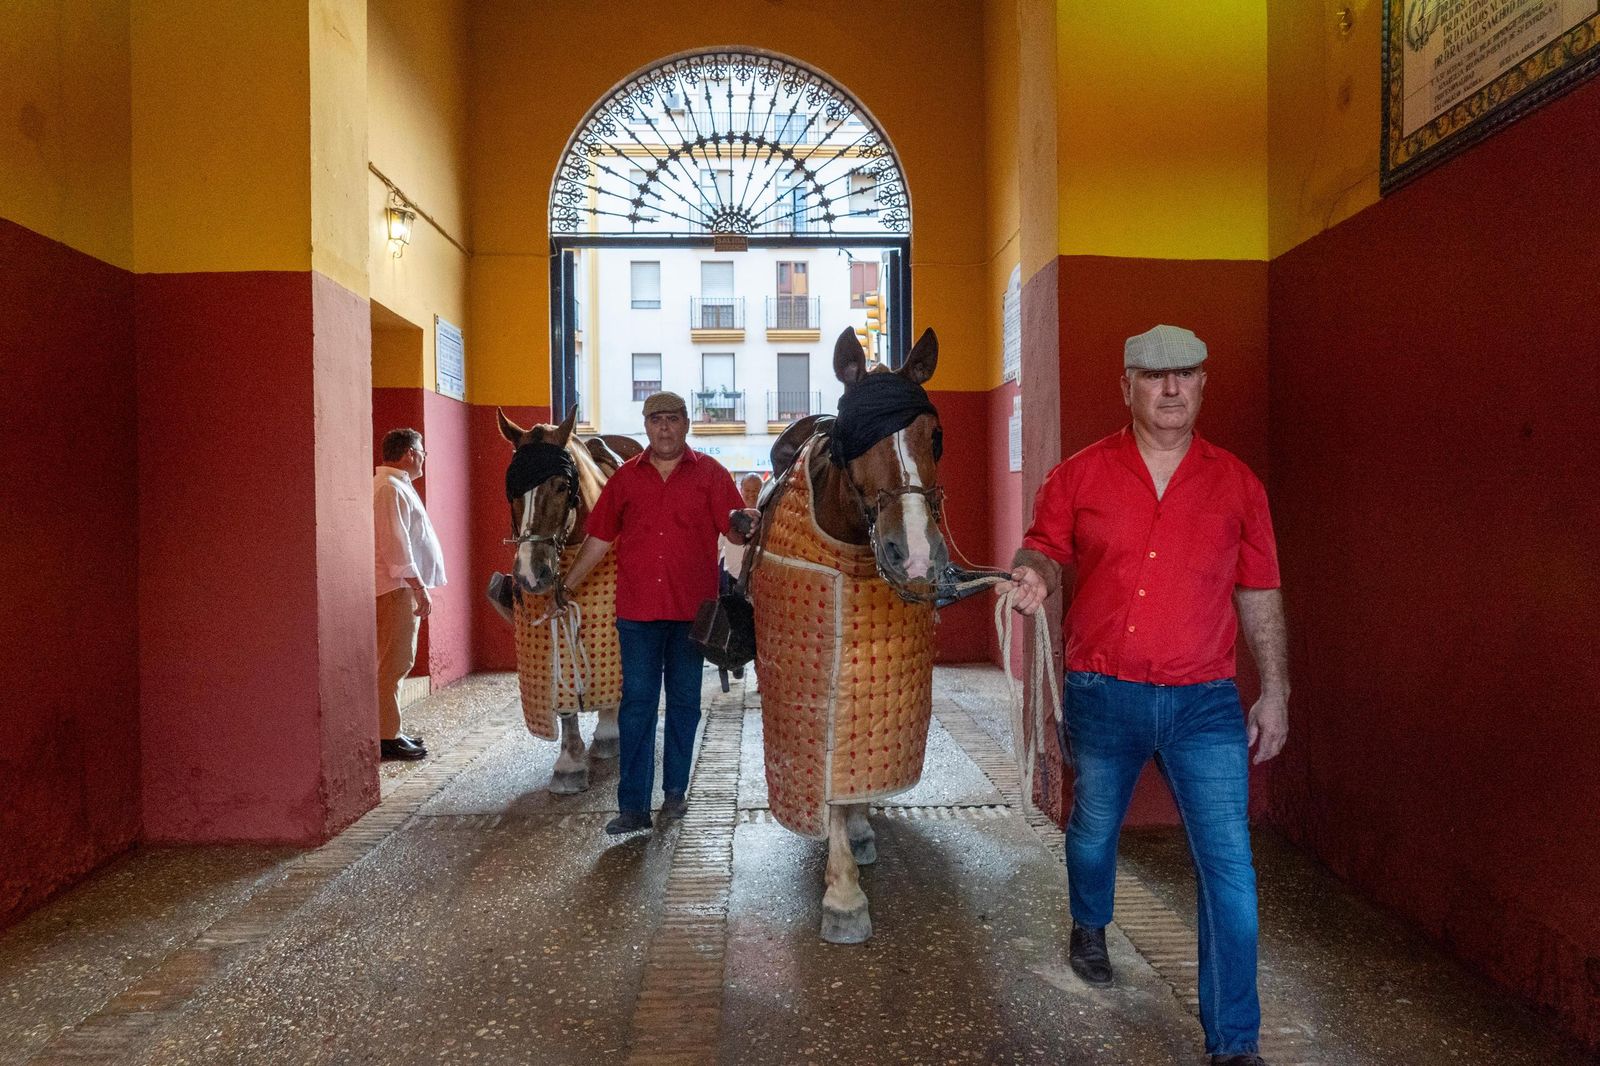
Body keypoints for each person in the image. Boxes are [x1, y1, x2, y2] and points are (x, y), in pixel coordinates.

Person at [1000, 324, 1289, 1066]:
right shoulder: (1078, 476)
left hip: (1205, 702)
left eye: (1186, 375)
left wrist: (1275, 690)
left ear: (1202, 385)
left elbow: (1259, 592)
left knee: (1229, 867)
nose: (1171, 390)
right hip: (1105, 691)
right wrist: (1033, 573)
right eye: (1155, 377)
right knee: (1094, 830)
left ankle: (1235, 1043)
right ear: (1125, 385)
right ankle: (1089, 922)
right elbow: (1045, 547)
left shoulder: (1238, 484)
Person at [562, 392, 759, 835]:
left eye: (672, 419)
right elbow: (598, 538)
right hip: (637, 614)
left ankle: (674, 794)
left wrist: (747, 524)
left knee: (686, 706)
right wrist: (566, 585)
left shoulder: (710, 474)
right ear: (645, 426)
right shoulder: (627, 480)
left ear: (686, 424)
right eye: (656, 420)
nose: (664, 427)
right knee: (637, 707)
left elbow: (737, 532)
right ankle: (633, 806)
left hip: (693, 615)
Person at [373, 428, 447, 761]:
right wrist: (418, 587)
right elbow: (396, 546)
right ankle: (386, 736)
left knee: (398, 659)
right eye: (422, 451)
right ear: (408, 453)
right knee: (395, 660)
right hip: (396, 588)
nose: (424, 457)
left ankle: (391, 728)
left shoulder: (397, 485)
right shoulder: (389, 489)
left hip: (400, 586)